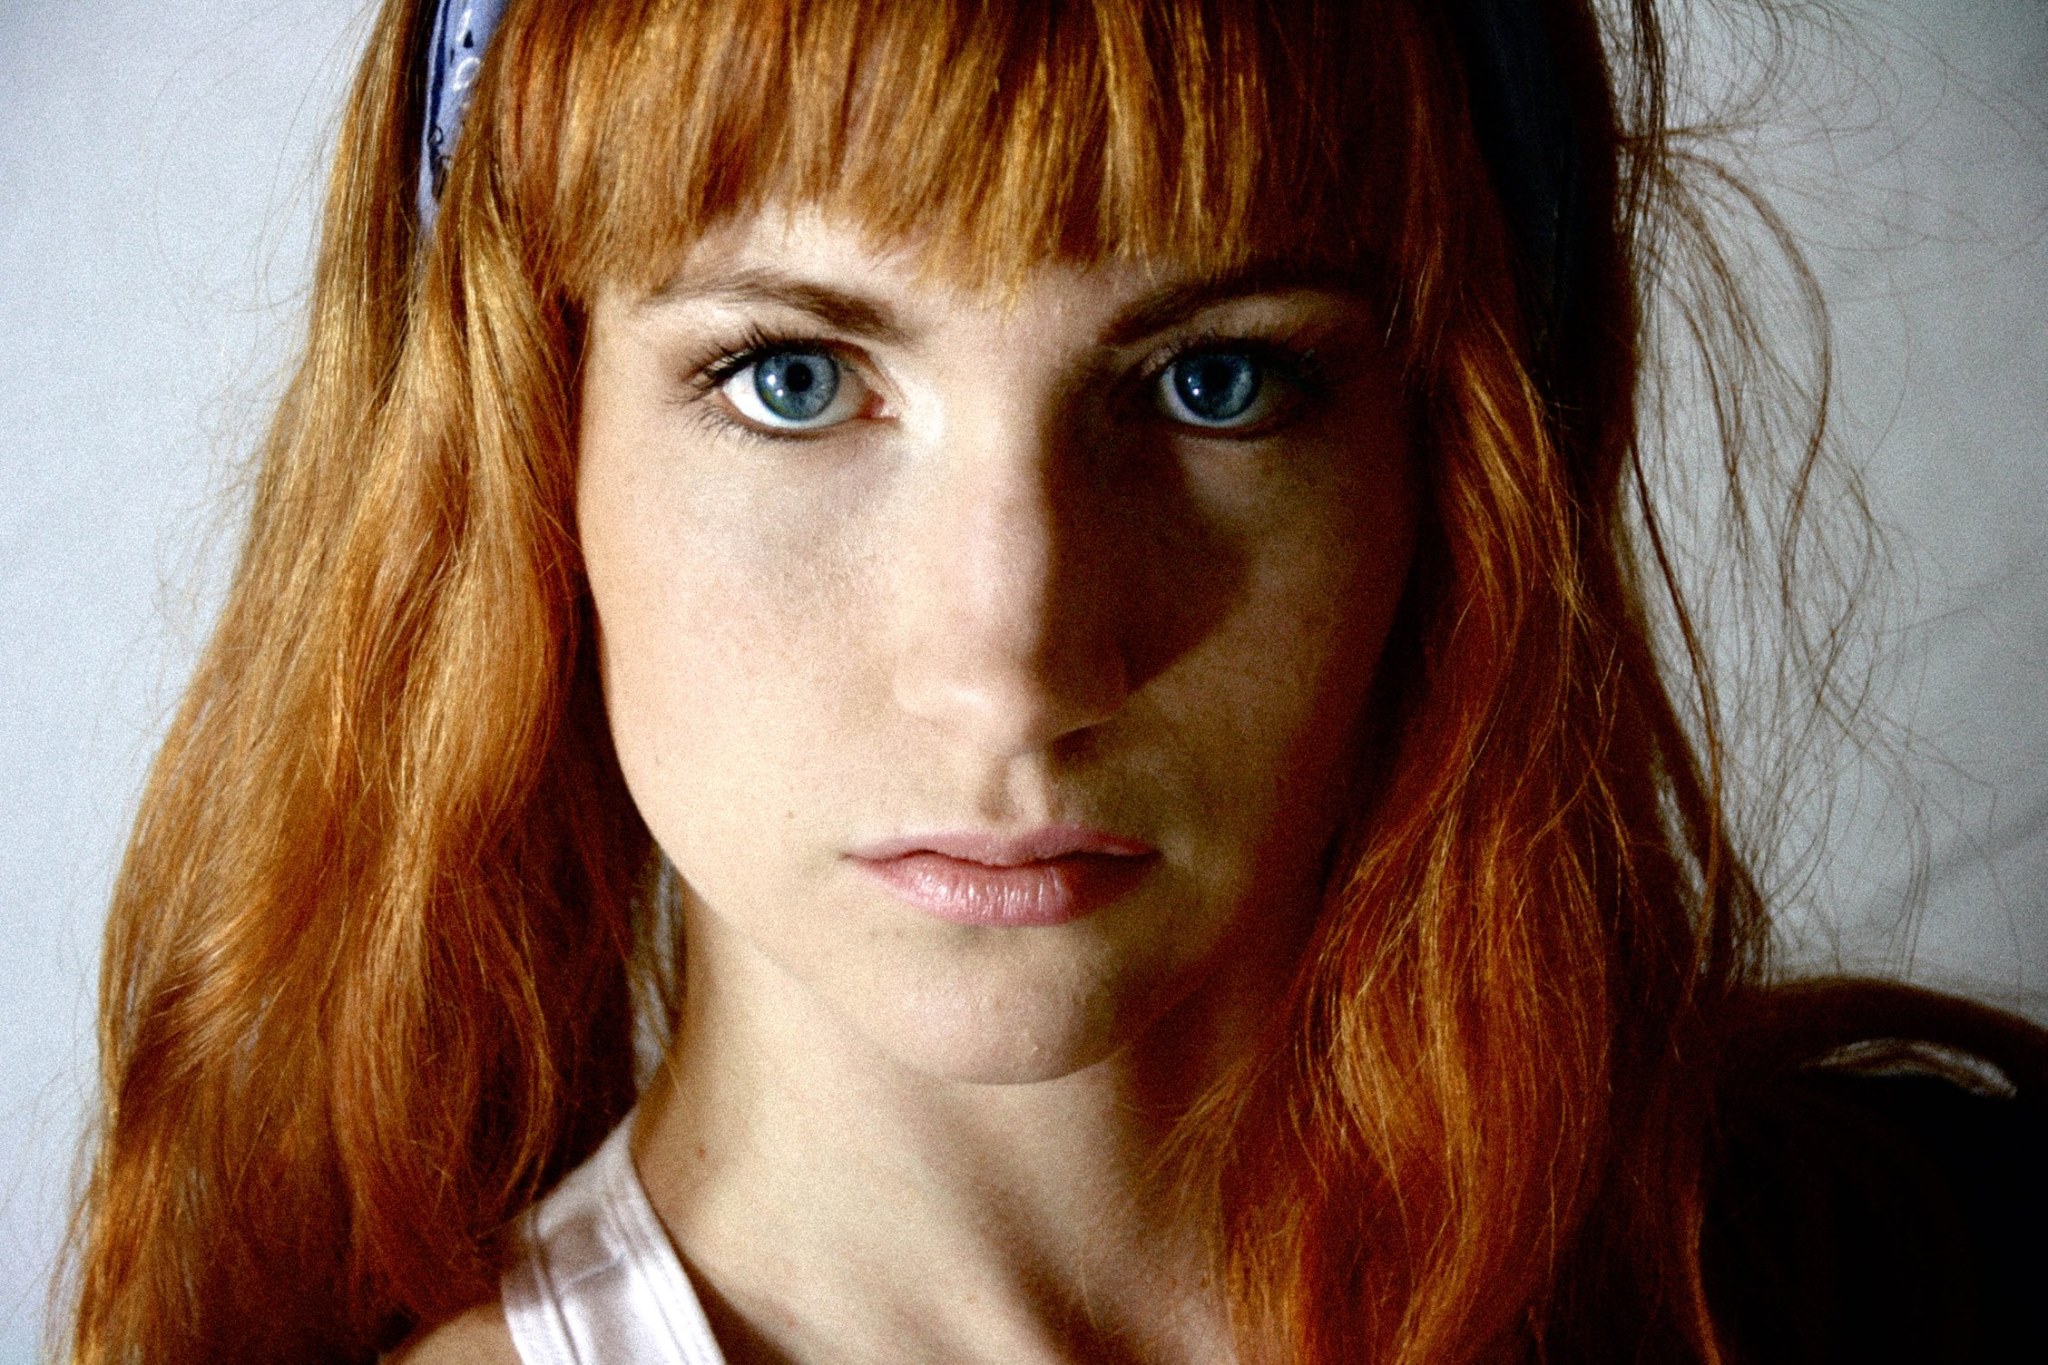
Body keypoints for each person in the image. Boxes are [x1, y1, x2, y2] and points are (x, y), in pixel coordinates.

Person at [63, 1, 2048, 1362]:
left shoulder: (1915, 1265)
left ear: (1456, 474)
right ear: (528, 457)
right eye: (795, 376)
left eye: (1216, 379)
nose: (1013, 658)